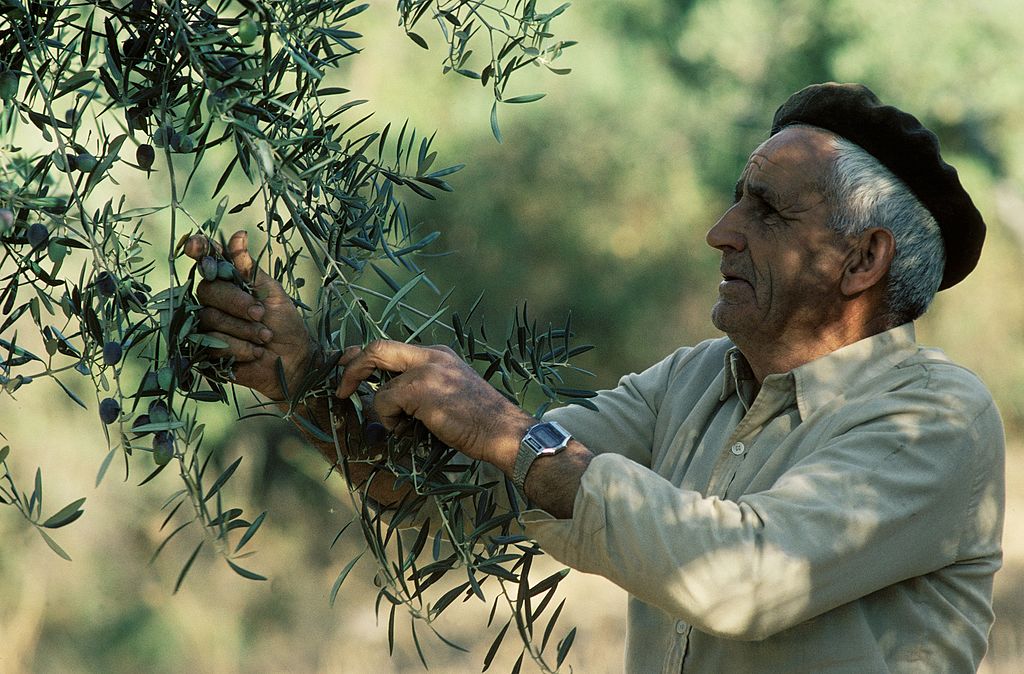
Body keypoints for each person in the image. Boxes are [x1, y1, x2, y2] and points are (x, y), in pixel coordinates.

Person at [186, 83, 1005, 673]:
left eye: (767, 210)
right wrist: (298, 378)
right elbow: (463, 502)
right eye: (735, 202)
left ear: (862, 259)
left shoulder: (936, 416)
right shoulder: (694, 380)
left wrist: (508, 429)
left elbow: (750, 581)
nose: (721, 233)